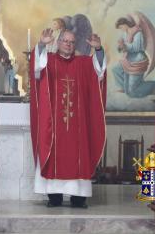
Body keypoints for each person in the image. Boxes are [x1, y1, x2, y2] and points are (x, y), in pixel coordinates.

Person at [30, 29, 106, 208]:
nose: (68, 44)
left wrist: (100, 50)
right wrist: (41, 44)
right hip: (53, 122)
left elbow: (99, 70)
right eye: (65, 41)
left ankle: (78, 198)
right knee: (53, 153)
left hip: (78, 123)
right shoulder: (48, 60)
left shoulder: (83, 63)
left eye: (71, 42)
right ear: (58, 42)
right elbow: (36, 68)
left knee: (79, 155)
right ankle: (54, 198)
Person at [112, 17, 155, 97]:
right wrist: (120, 47)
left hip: (137, 61)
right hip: (128, 60)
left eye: (121, 27)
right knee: (116, 70)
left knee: (132, 93)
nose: (121, 29)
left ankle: (151, 85)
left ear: (125, 24)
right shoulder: (125, 34)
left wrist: (124, 45)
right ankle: (128, 88)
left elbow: (137, 47)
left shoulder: (137, 32)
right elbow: (121, 46)